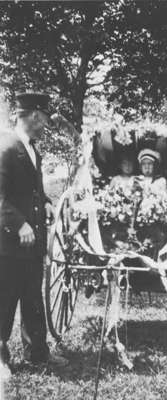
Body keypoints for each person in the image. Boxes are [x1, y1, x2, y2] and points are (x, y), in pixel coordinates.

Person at [0, 92, 68, 376]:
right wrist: (19, 224)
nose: (43, 125)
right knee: (5, 299)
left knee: (32, 298)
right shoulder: (5, 147)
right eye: (40, 119)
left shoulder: (33, 150)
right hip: (8, 243)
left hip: (32, 243)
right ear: (26, 116)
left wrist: (47, 203)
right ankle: (1, 358)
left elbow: (32, 190)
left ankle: (37, 352)